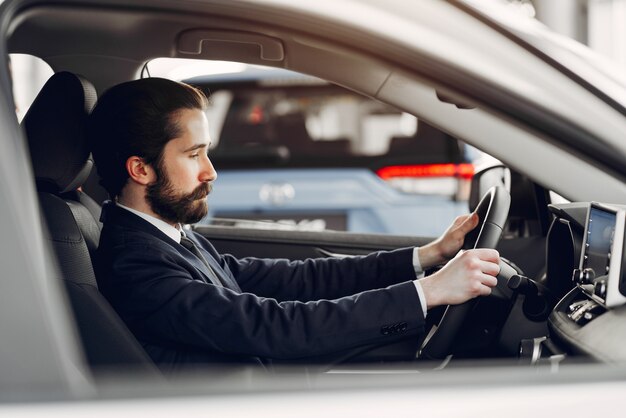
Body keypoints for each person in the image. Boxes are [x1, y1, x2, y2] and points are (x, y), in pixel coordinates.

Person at [89, 78, 500, 373]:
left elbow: (295, 280)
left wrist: (425, 257)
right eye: (194, 155)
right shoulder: (136, 263)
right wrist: (427, 293)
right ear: (140, 169)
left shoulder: (168, 236)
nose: (210, 172)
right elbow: (274, 327)